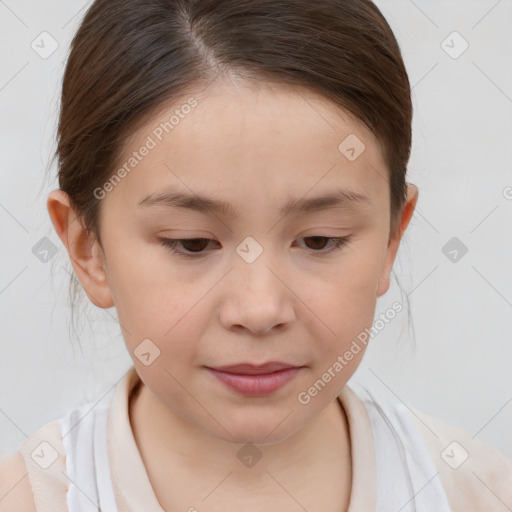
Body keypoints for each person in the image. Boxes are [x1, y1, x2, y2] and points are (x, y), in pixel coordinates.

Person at [1, 0, 511, 511]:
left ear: (390, 240)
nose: (260, 309)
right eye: (193, 243)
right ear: (88, 247)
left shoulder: (478, 492)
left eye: (319, 241)